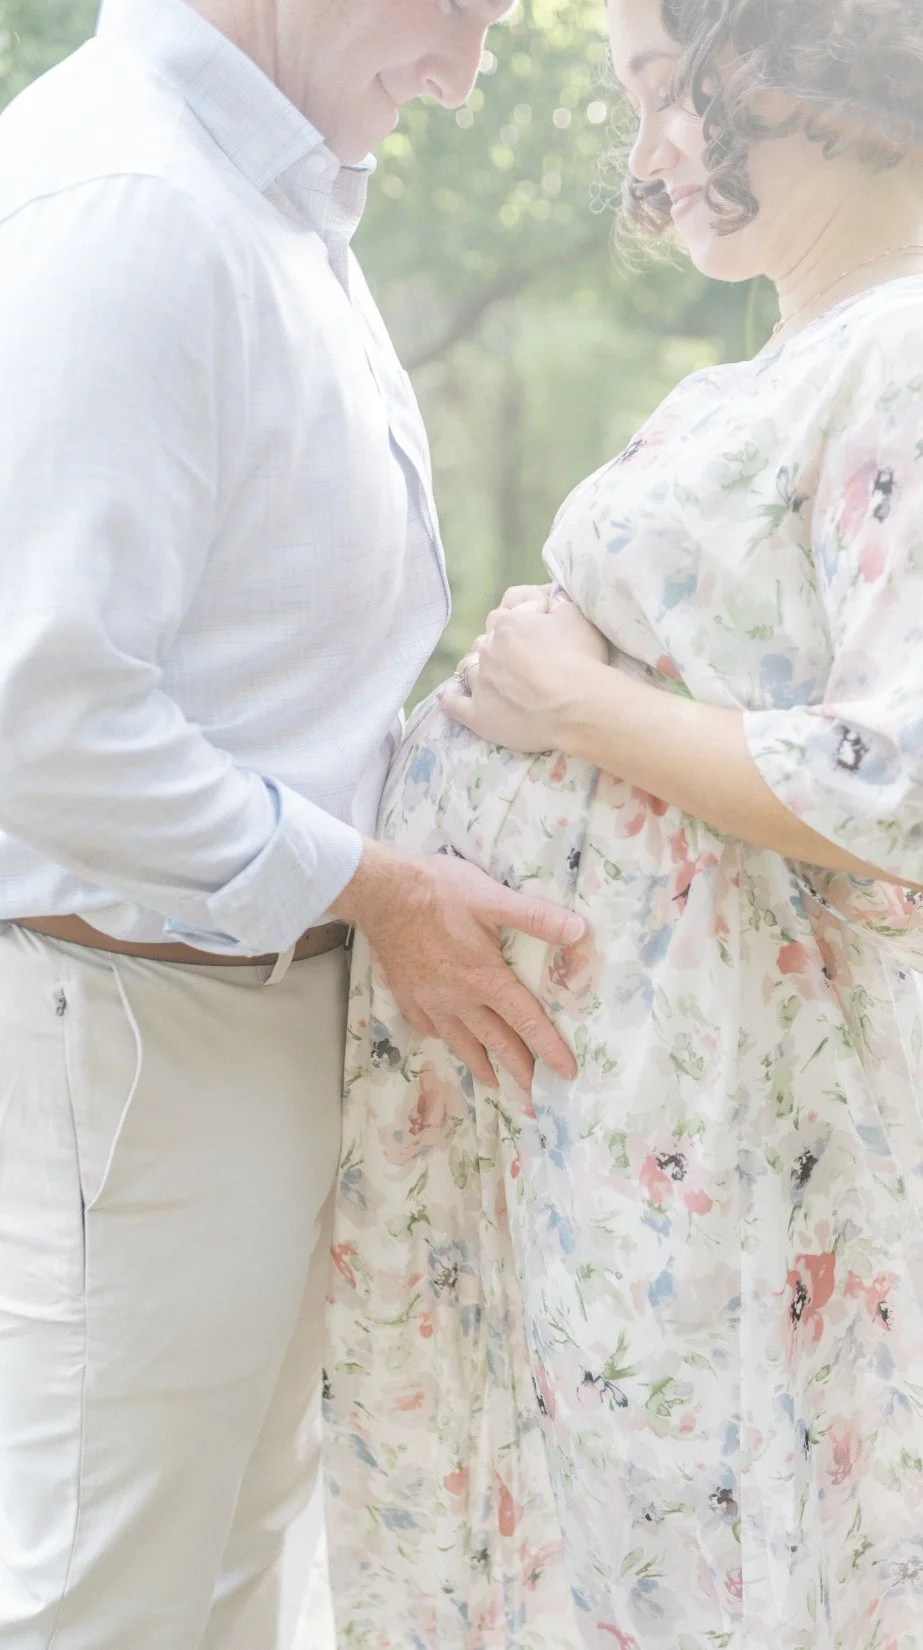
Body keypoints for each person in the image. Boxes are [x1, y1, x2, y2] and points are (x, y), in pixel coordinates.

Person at [323, 0, 923, 1644]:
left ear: (800, 64)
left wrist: (581, 704)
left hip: (729, 1099)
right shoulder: (795, 355)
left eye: (668, 94)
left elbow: (906, 786)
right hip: (622, 1092)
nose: (651, 157)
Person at [0, 0, 588, 1644]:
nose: (472, 68)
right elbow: (37, 716)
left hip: (247, 1021)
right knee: (97, 1601)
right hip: (136, 1034)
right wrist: (379, 885)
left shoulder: (260, 198)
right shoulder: (128, 208)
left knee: (239, 1581)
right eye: (459, 6)